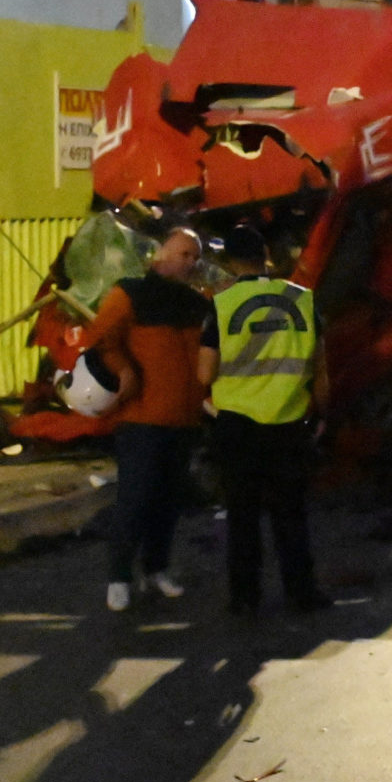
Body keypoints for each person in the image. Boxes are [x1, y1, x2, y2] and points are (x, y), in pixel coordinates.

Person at [198, 226, 330, 617]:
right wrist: (321, 414)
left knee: (243, 516)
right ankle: (302, 593)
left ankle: (245, 598)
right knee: (291, 514)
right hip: (290, 423)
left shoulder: (221, 306)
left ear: (228, 261)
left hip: (237, 427)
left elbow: (204, 375)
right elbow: (320, 369)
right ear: (267, 255)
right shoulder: (303, 301)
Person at [85, 226, 214, 612]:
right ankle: (119, 577)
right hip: (141, 419)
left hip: (183, 420)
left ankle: (156, 568)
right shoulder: (130, 294)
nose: (189, 262)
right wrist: (123, 370)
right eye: (182, 254)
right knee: (135, 500)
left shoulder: (196, 304)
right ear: (160, 255)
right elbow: (102, 338)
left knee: (167, 502)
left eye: (194, 256)